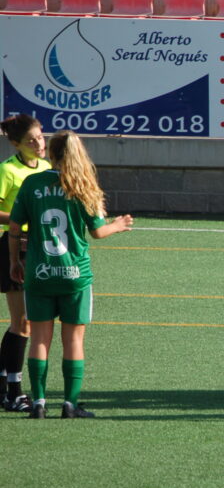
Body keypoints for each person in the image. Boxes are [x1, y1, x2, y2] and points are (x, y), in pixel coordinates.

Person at [8, 131, 133, 419]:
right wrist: (118, 224)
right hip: (75, 274)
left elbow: (15, 228)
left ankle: (38, 403)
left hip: (39, 271)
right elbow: (98, 232)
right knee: (73, 340)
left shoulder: (33, 182)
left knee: (39, 338)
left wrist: (15, 260)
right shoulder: (83, 185)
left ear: (50, 152)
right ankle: (69, 404)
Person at [0, 115, 50, 413]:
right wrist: (24, 217)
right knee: (23, 323)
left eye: (40, 138)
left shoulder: (45, 168)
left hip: (40, 249)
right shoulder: (8, 171)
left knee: (23, 322)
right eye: (31, 140)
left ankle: (4, 386)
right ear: (15, 144)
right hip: (12, 248)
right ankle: (15, 393)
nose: (38, 144)